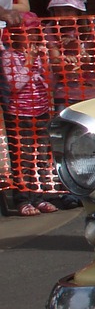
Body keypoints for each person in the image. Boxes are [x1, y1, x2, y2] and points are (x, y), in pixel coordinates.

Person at [0, 13, 57, 215]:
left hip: (40, 111)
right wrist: (28, 62)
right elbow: (15, 84)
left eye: (34, 32)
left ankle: (39, 196)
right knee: (23, 159)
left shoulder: (37, 55)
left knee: (40, 157)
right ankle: (22, 199)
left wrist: (44, 62)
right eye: (27, 32)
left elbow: (50, 83)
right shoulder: (9, 56)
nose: (31, 36)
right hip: (19, 115)